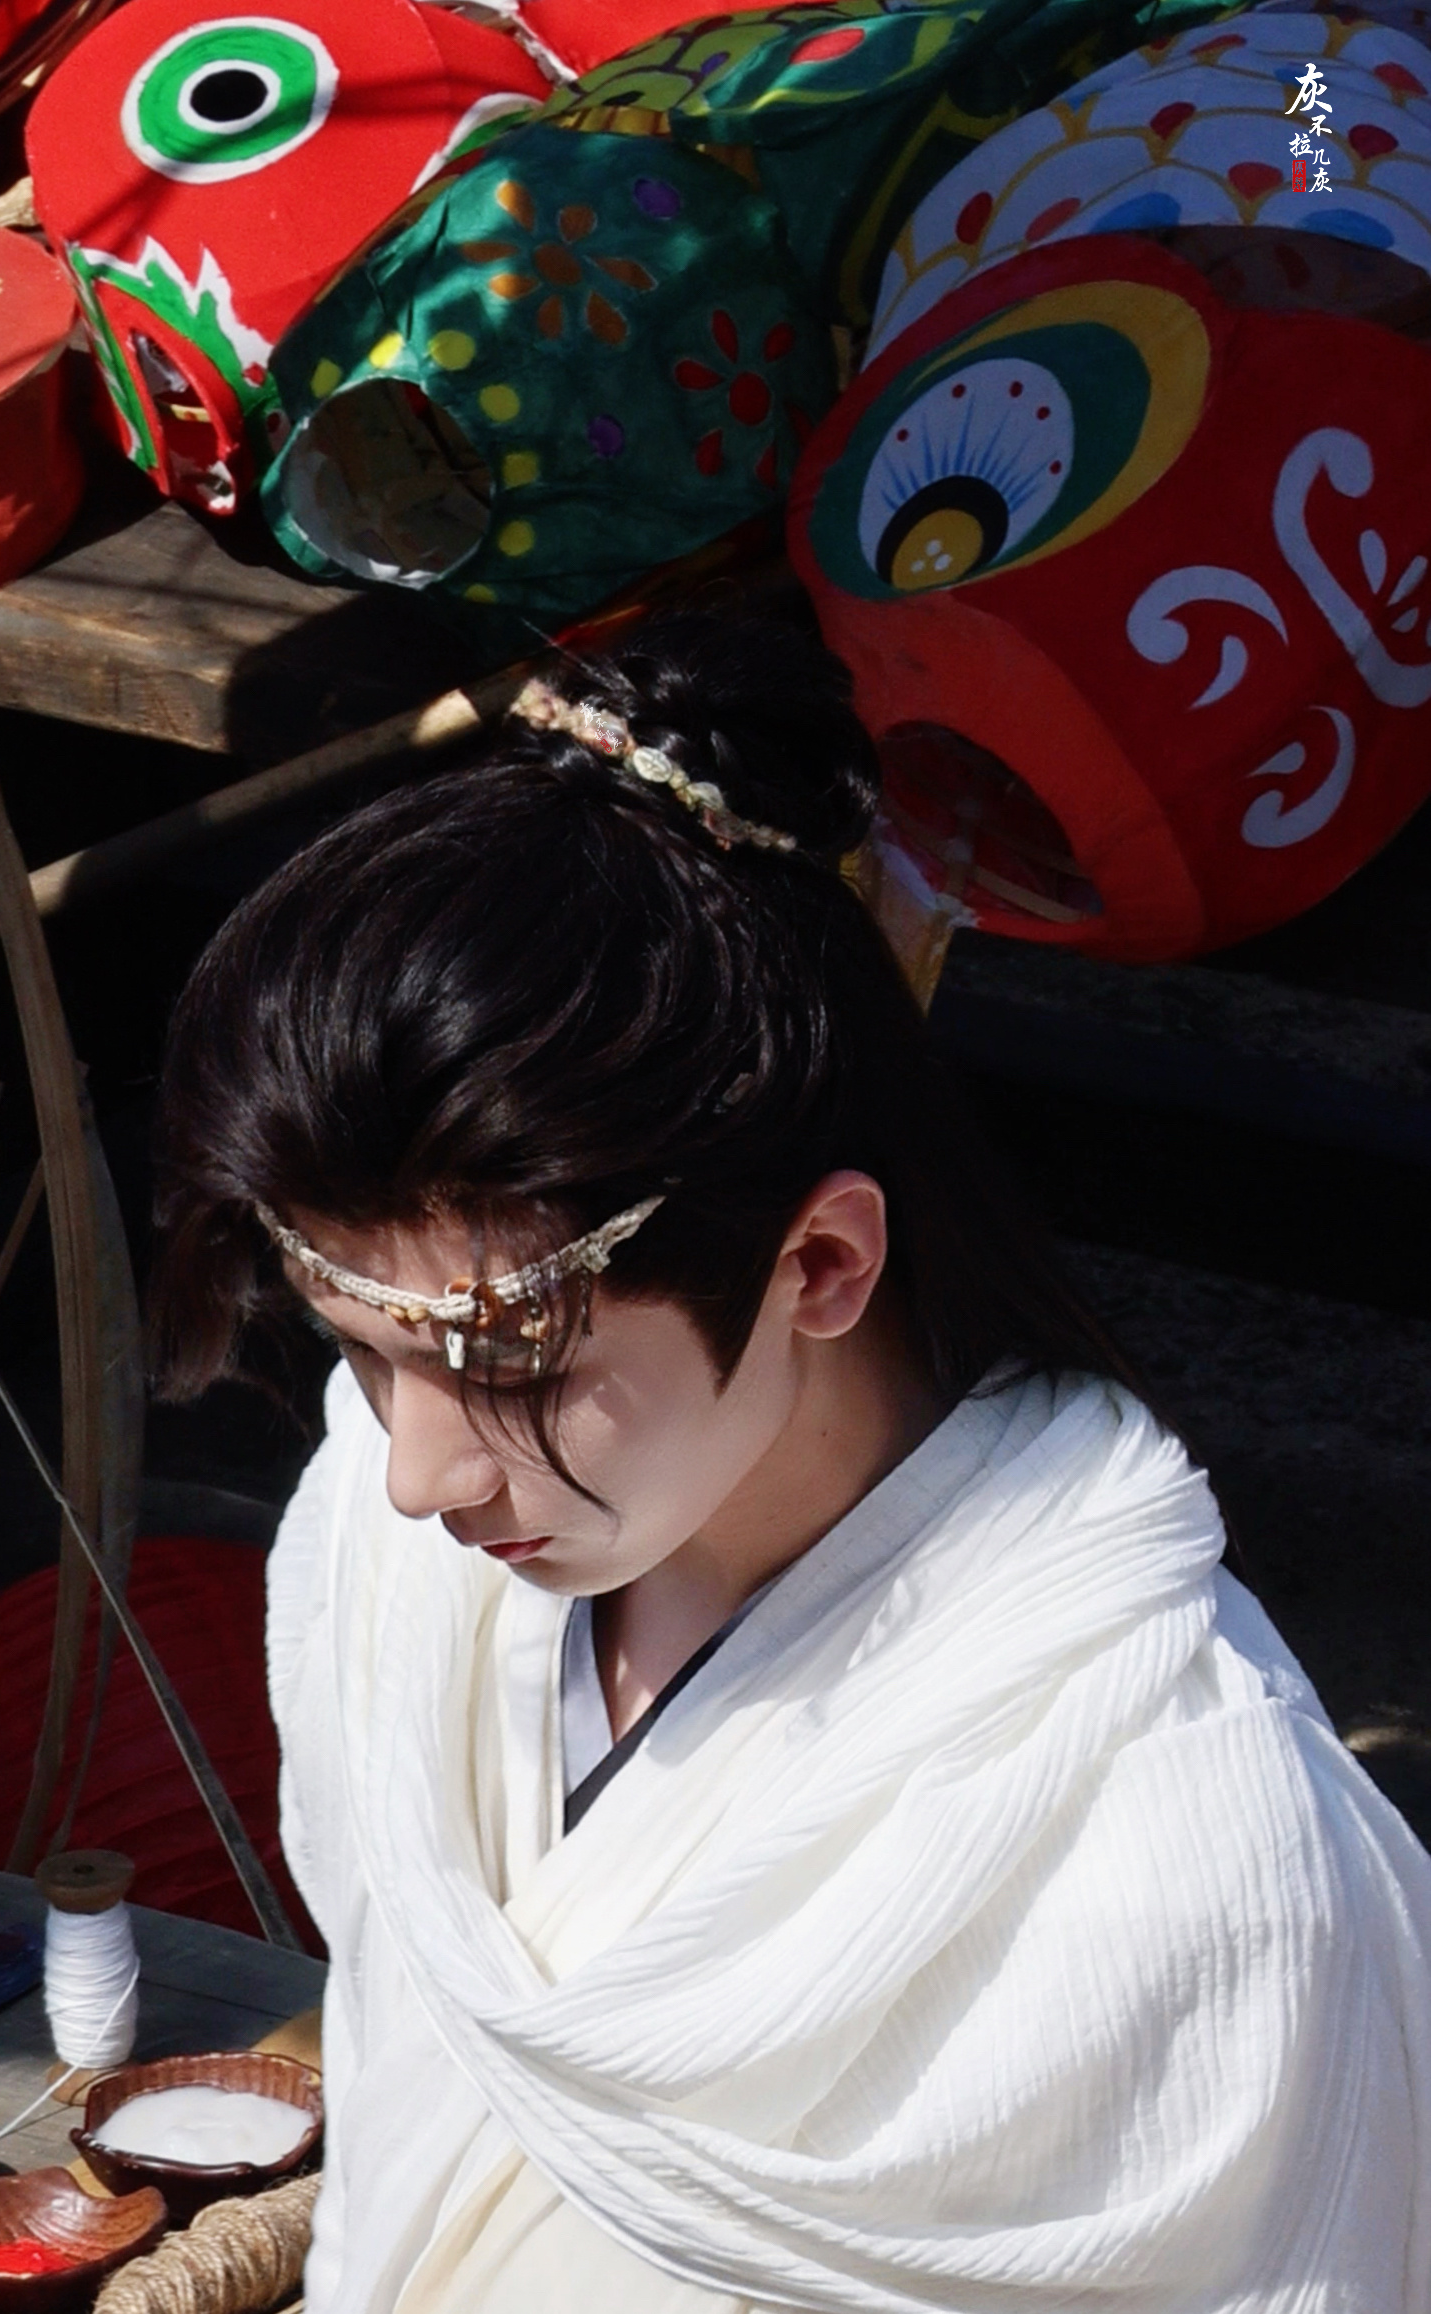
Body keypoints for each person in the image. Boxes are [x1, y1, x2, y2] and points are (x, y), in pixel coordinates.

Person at [152, 616, 1431, 2314]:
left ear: (818, 1263)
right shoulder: (389, 1540)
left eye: (510, 1364)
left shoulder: (1181, 1842)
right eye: (360, 1348)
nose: (416, 1475)